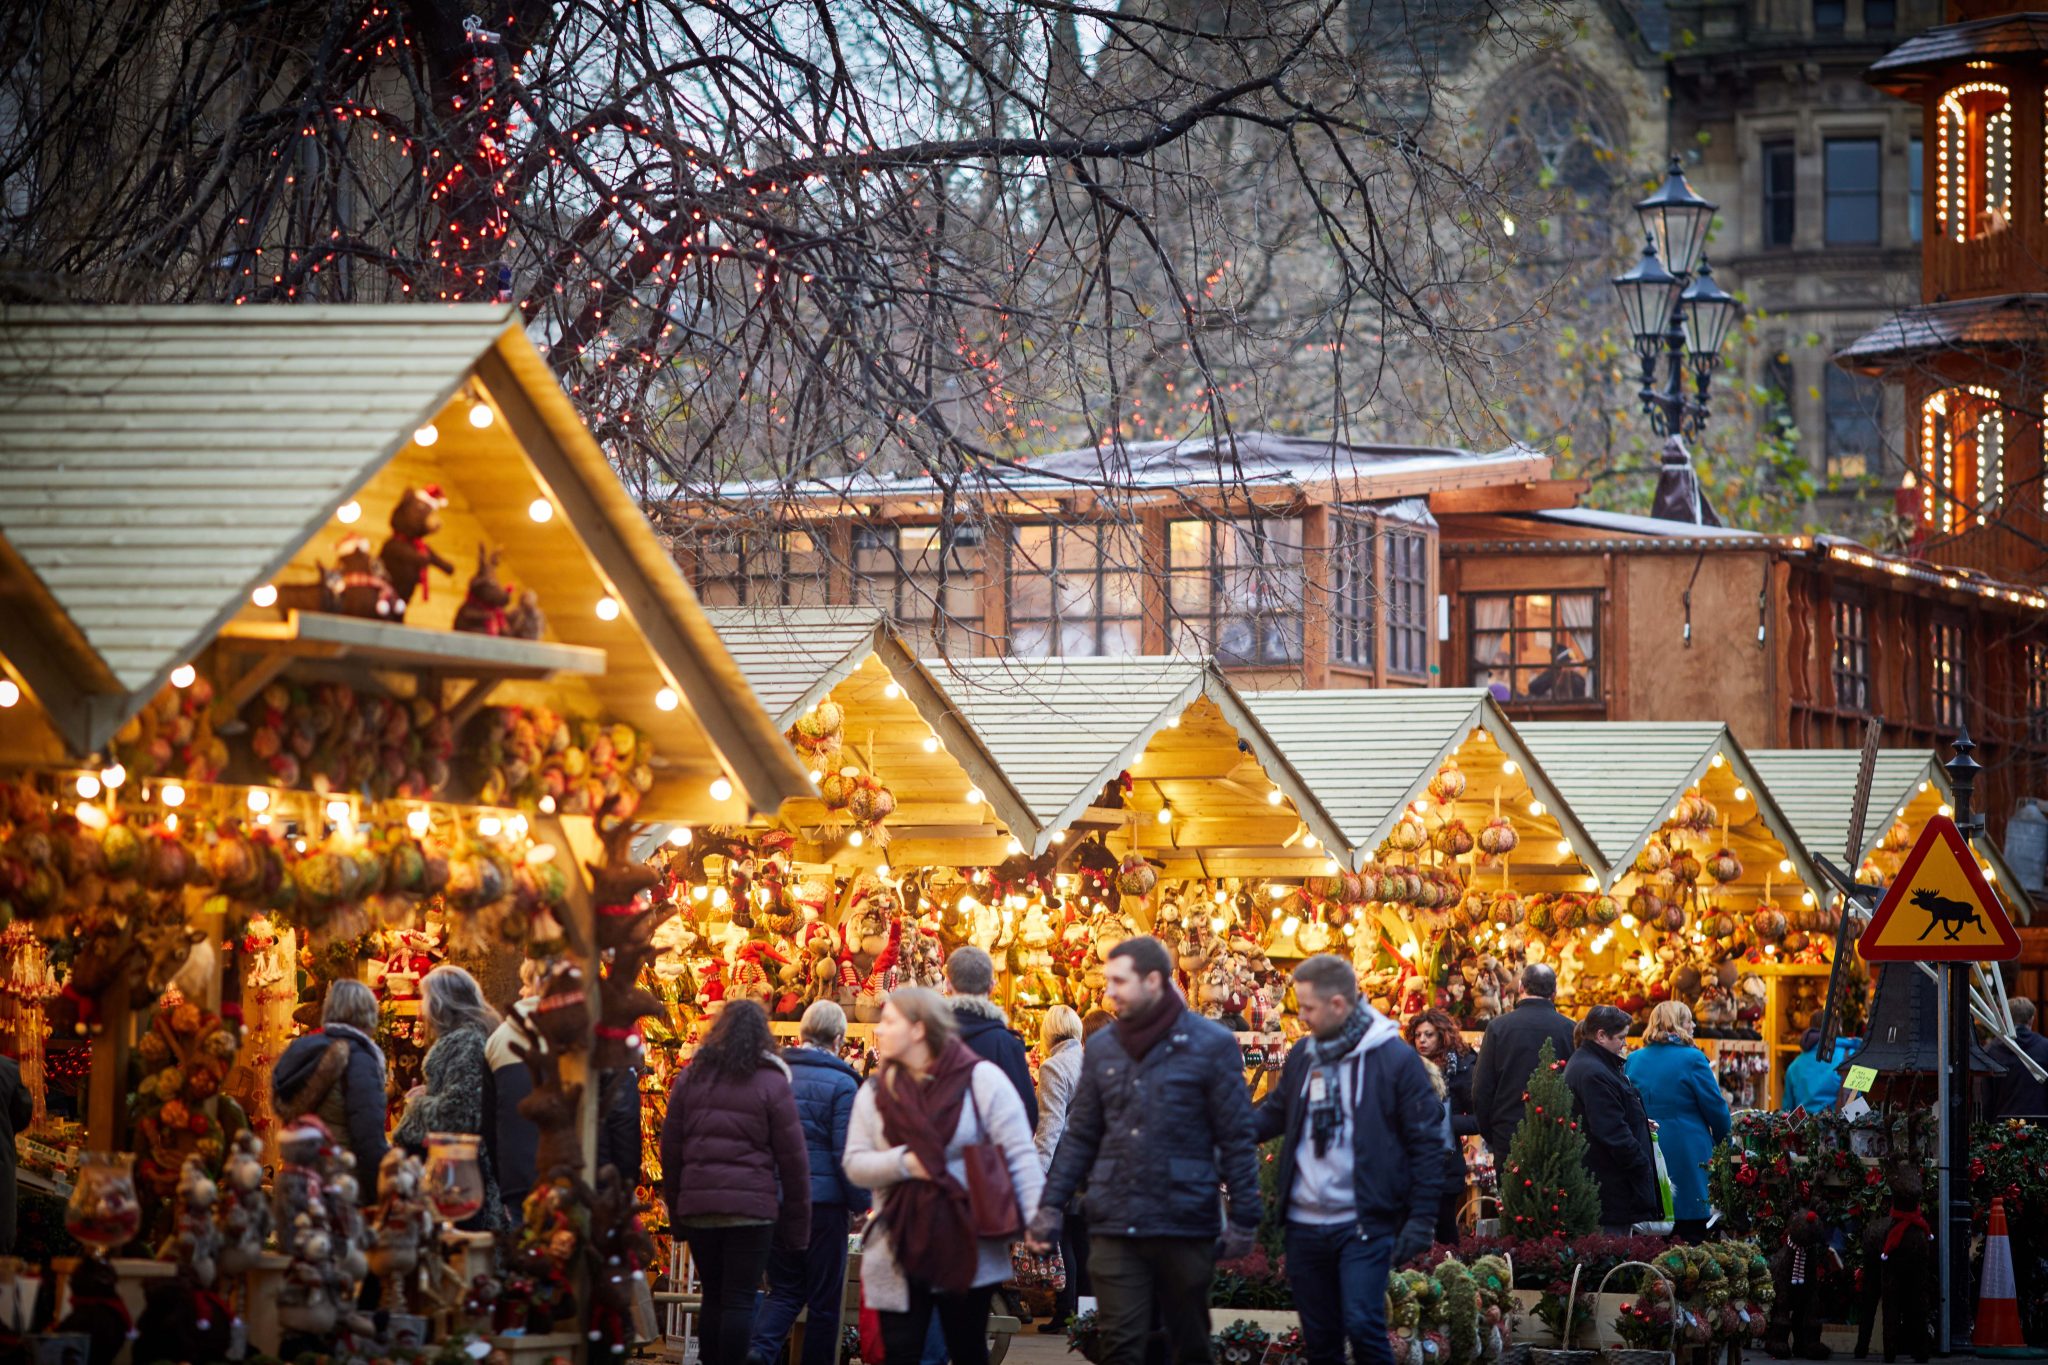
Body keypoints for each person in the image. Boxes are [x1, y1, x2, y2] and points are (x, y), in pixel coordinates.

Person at [1028, 936, 1262, 1365]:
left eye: (1119, 981)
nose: (1109, 992)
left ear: (1153, 981)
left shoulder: (1210, 1045)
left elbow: (1235, 1134)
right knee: (1120, 1342)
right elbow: (1079, 1135)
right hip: (1118, 1220)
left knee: (1185, 1340)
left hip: (1185, 1219)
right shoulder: (1102, 1049)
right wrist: (1048, 1204)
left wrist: (1245, 1214)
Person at [1254, 956, 1444, 1365]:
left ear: (1338, 1005)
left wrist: (1422, 1219)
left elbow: (1427, 1144)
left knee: (1362, 1324)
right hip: (1306, 1223)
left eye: (1308, 1008)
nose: (1300, 1017)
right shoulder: (1305, 1053)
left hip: (1363, 1220)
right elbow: (1275, 1112)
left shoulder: (1394, 1059)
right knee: (1320, 1337)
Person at [842, 987, 1042, 1365]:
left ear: (918, 1029)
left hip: (968, 1242)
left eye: (889, 1022)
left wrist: (1034, 1215)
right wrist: (904, 1163)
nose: (879, 1031)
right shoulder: (875, 1092)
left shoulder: (981, 1080)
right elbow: (854, 1163)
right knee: (900, 1354)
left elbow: (1018, 1152)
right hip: (897, 1245)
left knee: (967, 1350)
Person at [658, 1000, 809, 1365]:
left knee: (713, 1295)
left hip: (700, 1210)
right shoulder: (772, 1081)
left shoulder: (692, 1077)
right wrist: (797, 1230)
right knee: (740, 1298)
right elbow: (794, 1161)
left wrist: (677, 1215)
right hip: (752, 1212)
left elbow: (670, 1149)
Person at [751, 1001, 865, 1365]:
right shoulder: (843, 1083)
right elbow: (846, 1151)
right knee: (823, 1303)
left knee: (783, 1289)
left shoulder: (770, 1076)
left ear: (801, 1034)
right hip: (824, 1208)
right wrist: (861, 1202)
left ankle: (759, 1350)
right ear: (838, 1039)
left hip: (776, 1199)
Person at [392, 967, 506, 1230]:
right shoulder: (470, 1039)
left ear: (440, 1003)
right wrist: (429, 1094)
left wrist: (416, 1105)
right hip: (458, 1174)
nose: (423, 1009)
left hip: (461, 1180)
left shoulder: (465, 1043)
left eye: (426, 999)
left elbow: (459, 1114)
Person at [274, 979, 390, 1201]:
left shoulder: (304, 1050)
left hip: (299, 1177)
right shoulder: (358, 1058)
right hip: (341, 1183)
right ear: (366, 1016)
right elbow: (367, 1133)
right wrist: (378, 1191)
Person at [1624, 1002, 1730, 1241]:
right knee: (1691, 1230)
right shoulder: (1693, 1058)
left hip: (1648, 1147)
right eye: (1689, 1020)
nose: (1693, 1026)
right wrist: (1726, 1144)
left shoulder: (1634, 1059)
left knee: (1653, 1230)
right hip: (1688, 1151)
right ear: (1677, 1024)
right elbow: (1717, 1109)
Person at [1563, 1005, 1660, 1235]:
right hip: (1608, 1186)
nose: (1624, 1044)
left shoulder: (1595, 1065)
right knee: (1612, 1257)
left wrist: (1637, 1121)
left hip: (1606, 1184)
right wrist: (1640, 1163)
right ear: (1601, 1036)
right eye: (1621, 1038)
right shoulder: (1594, 1072)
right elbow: (1610, 1130)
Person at [1471, 963, 1577, 1160]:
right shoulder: (1571, 1030)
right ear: (1554, 993)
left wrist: (1492, 1132)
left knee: (1511, 1191)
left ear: (1521, 987)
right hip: (1556, 1134)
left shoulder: (1498, 1028)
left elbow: (1481, 1089)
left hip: (1509, 1134)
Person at [1033, 1005, 1087, 1334]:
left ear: (1048, 1032)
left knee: (1064, 1237)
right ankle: (1085, 1313)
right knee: (1083, 1239)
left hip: (1067, 1165)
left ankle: (1066, 1311)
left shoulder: (1054, 1067)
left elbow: (1050, 1129)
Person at [945, 946, 1038, 1129]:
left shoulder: (927, 1039)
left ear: (948, 984)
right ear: (992, 987)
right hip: (988, 1154)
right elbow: (1027, 1117)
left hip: (936, 1155)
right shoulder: (1006, 1044)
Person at [1408, 1008, 1477, 1244]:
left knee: (1444, 1227)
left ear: (1442, 1036)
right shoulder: (1407, 1067)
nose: (1422, 1041)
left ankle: (1450, 1271)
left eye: (1429, 1035)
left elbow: (1478, 1118)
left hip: (1445, 1161)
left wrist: (1446, 1122)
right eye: (1418, 1035)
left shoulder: (1460, 1068)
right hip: (1410, 1160)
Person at [485, 960, 545, 1216]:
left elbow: (488, 1118)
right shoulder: (584, 1035)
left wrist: (501, 1175)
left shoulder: (499, 1038)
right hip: (574, 1175)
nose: (521, 992)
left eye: (526, 984)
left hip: (518, 1175)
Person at [1987, 999, 2048, 1118]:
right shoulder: (2045, 1048)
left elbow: (1987, 1098)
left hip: (2001, 1130)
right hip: (2042, 1127)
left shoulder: (1990, 1051)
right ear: (2031, 1019)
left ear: (2004, 1019)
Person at [1781, 1029, 1844, 1115]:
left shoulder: (1794, 1066)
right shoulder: (1848, 1056)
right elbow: (1855, 1099)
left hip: (1804, 1125)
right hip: (1839, 1124)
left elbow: (1787, 1110)